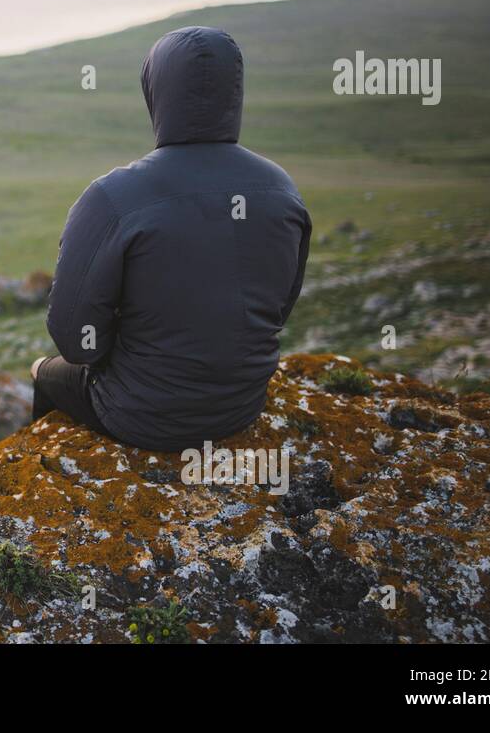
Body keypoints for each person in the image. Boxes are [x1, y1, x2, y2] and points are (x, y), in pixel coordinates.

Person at [32, 26, 310, 451]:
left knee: (43, 372)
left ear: (155, 89)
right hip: (241, 407)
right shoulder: (281, 189)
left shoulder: (113, 197)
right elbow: (276, 309)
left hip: (139, 417)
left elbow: (75, 340)